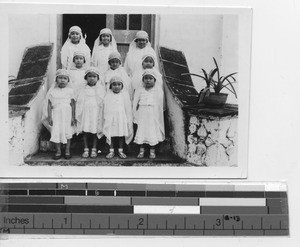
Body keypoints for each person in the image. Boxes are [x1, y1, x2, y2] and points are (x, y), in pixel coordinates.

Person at [41, 69, 76, 160]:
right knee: (56, 131)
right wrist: (49, 116)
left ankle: (67, 150)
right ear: (56, 79)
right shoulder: (52, 91)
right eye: (60, 78)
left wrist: (73, 117)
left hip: (67, 115)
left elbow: (73, 104)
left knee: (67, 131)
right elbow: (49, 105)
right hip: (56, 114)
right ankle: (58, 151)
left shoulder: (70, 91)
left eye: (65, 78)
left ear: (68, 80)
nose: (62, 80)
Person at [133, 69, 165, 159]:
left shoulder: (157, 90)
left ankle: (152, 150)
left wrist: (157, 116)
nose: (148, 80)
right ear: (143, 80)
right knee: (142, 130)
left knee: (152, 131)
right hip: (142, 113)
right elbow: (135, 102)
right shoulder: (140, 90)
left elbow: (159, 105)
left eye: (150, 78)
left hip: (152, 114)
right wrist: (135, 114)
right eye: (146, 78)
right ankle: (141, 150)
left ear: (155, 80)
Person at [76, 67, 105, 158]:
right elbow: (79, 101)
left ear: (98, 78)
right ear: (86, 78)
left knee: (94, 130)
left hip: (96, 112)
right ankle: (86, 148)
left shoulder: (101, 89)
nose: (92, 78)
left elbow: (102, 101)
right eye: (89, 76)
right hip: (86, 111)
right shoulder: (83, 89)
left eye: (94, 76)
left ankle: (94, 148)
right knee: (85, 130)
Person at [102, 76, 133, 159]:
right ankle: (111, 150)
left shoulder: (125, 95)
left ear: (122, 86)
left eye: (119, 84)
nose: (116, 86)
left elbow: (127, 107)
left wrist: (128, 118)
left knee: (121, 133)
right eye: (114, 85)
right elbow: (106, 107)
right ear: (110, 86)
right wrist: (107, 118)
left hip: (121, 117)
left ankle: (120, 150)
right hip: (111, 117)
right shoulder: (108, 95)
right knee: (111, 133)